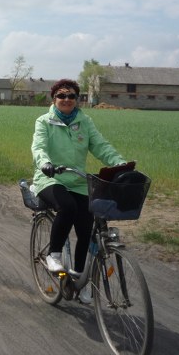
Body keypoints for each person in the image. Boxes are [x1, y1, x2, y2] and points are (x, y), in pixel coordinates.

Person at [31, 79, 126, 302]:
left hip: (78, 182)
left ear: (77, 99)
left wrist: (120, 163)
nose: (66, 99)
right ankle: (54, 255)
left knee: (86, 231)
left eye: (71, 96)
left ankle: (80, 281)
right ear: (54, 99)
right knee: (67, 207)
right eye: (61, 95)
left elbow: (101, 146)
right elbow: (38, 147)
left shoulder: (85, 122)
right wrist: (44, 163)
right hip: (50, 178)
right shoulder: (44, 121)